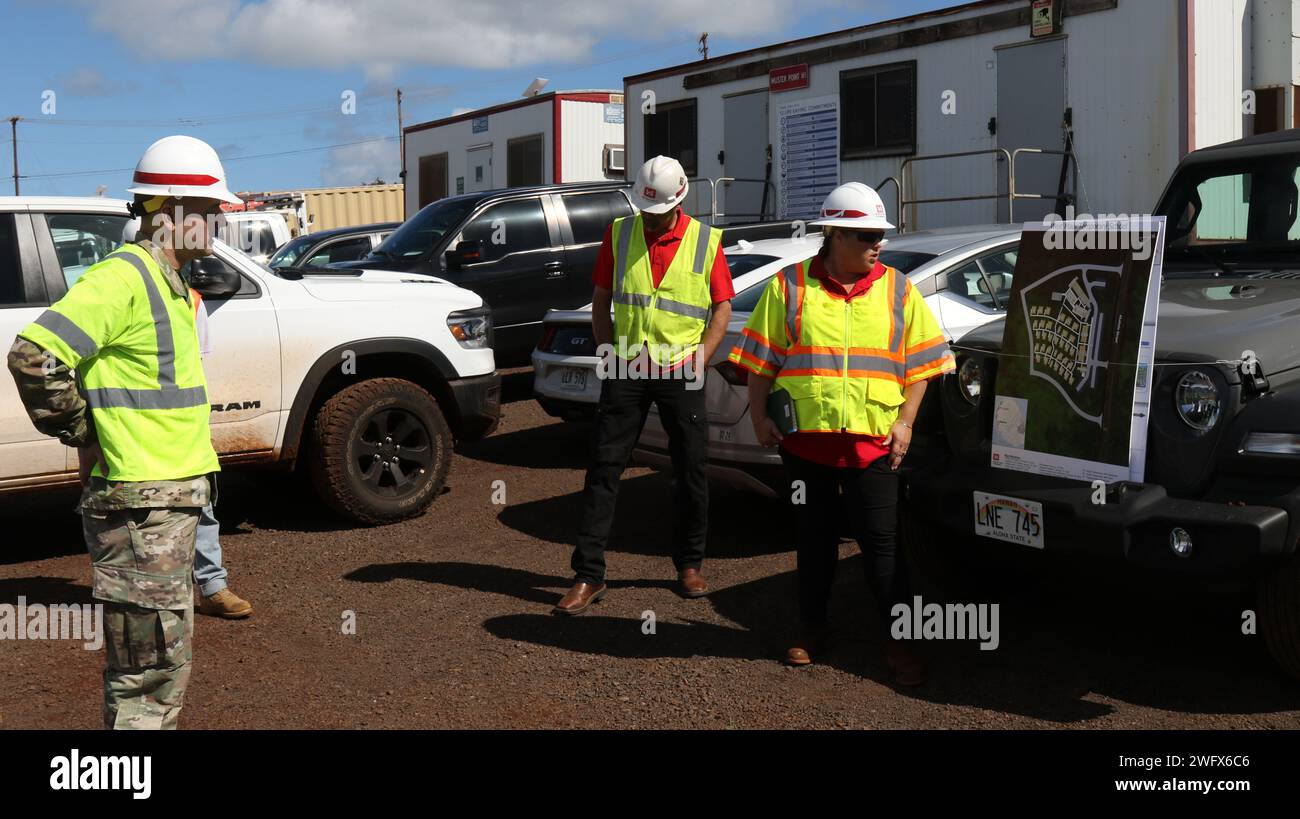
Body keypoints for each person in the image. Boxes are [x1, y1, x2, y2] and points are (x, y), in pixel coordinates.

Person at [6, 135, 239, 728]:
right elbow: (33, 356)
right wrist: (85, 431)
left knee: (161, 666)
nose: (214, 227)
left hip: (162, 502)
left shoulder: (166, 282)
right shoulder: (126, 277)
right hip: (140, 507)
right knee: (147, 676)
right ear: (169, 213)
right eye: (208, 214)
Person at [728, 182, 955, 685]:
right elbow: (760, 363)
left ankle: (900, 642)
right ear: (833, 234)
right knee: (814, 540)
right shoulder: (789, 287)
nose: (878, 243)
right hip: (805, 448)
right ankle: (812, 629)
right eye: (867, 234)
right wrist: (760, 417)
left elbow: (923, 367)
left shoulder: (898, 290)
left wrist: (905, 423)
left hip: (874, 448)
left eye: (880, 234)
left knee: (882, 545)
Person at [555, 156, 735, 614]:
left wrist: (701, 357)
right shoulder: (619, 233)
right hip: (628, 369)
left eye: (657, 213)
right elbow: (600, 300)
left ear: (679, 200)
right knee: (603, 470)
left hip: (680, 371)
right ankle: (588, 574)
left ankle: (689, 564)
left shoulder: (705, 241)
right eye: (644, 210)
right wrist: (606, 352)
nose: (650, 220)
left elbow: (722, 308)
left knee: (691, 470)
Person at [187, 284, 253, 619]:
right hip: (129, 434)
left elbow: (192, 367)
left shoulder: (189, 299)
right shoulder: (107, 291)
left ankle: (212, 588)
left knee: (201, 507)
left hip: (183, 430)